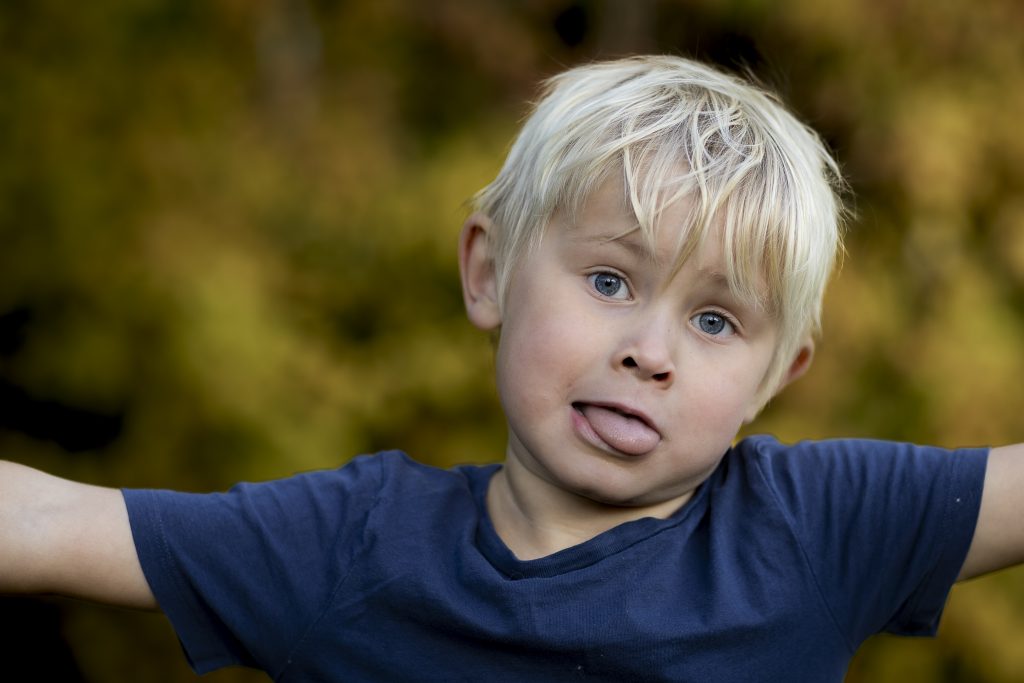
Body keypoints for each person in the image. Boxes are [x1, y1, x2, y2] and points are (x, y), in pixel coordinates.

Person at [1, 55, 1022, 682]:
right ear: (488, 272)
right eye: (611, 282)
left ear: (776, 373)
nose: (648, 351)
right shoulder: (348, 548)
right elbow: (45, 524)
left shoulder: (814, 529)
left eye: (714, 319)